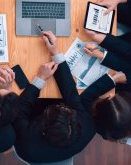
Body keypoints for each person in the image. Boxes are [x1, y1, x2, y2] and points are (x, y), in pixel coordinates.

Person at [13, 32, 99, 163]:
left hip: (29, 123)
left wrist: (40, 78)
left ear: (43, 125)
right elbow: (71, 95)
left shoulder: (27, 142)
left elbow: (20, 111)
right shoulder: (87, 126)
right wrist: (55, 52)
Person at [83, 44, 131, 141]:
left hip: (100, 87)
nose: (111, 94)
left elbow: (84, 101)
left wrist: (111, 81)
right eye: (117, 96)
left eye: (109, 98)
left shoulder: (104, 129)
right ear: (129, 99)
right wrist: (101, 55)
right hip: (105, 80)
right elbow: (129, 69)